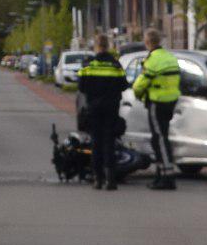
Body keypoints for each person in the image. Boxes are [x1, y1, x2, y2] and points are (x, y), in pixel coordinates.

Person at [75, 34, 128, 191]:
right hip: (111, 108)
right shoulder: (116, 65)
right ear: (108, 46)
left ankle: (97, 179)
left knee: (96, 143)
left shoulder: (88, 65)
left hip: (94, 108)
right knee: (109, 143)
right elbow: (124, 85)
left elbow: (81, 87)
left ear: (96, 47)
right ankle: (110, 179)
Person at [131, 29, 181, 190]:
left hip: (157, 101)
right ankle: (160, 174)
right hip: (171, 101)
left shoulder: (152, 60)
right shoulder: (170, 57)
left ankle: (167, 176)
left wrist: (137, 92)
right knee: (161, 137)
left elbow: (141, 83)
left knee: (159, 139)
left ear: (147, 42)